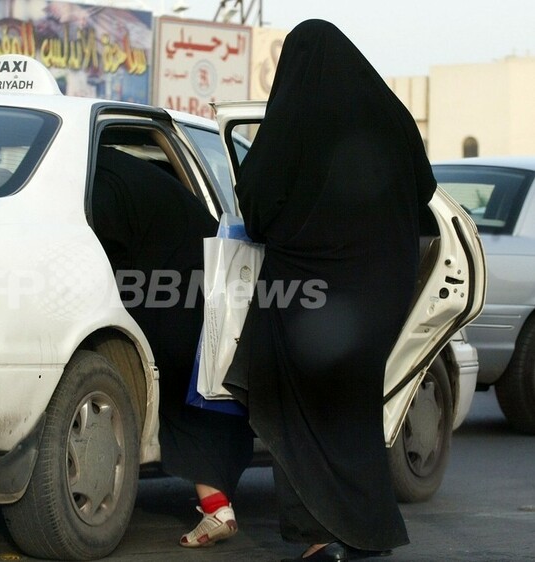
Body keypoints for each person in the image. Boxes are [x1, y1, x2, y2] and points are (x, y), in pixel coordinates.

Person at [223, 19, 438, 562]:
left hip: (308, 295)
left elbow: (259, 203)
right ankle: (365, 531)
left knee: (293, 410)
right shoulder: (392, 116)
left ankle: (318, 535)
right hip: (382, 295)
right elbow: (426, 193)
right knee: (352, 410)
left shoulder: (297, 116)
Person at [91, 145, 254, 547]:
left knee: (183, 401)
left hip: (172, 297)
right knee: (204, 401)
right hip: (207, 292)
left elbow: (98, 248)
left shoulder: (99, 184)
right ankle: (218, 505)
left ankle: (217, 510)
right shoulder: (132, 176)